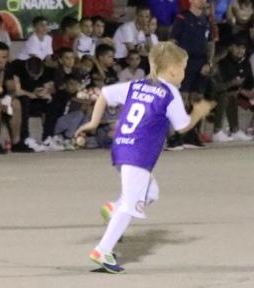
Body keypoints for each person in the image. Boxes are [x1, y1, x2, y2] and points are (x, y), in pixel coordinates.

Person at [73, 41, 215, 274]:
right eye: (183, 68)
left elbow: (104, 94)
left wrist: (93, 122)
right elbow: (182, 127)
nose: (184, 73)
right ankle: (102, 250)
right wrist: (198, 113)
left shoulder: (136, 85)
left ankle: (113, 208)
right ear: (173, 70)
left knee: (151, 192)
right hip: (139, 154)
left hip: (122, 147)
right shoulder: (170, 93)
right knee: (131, 205)